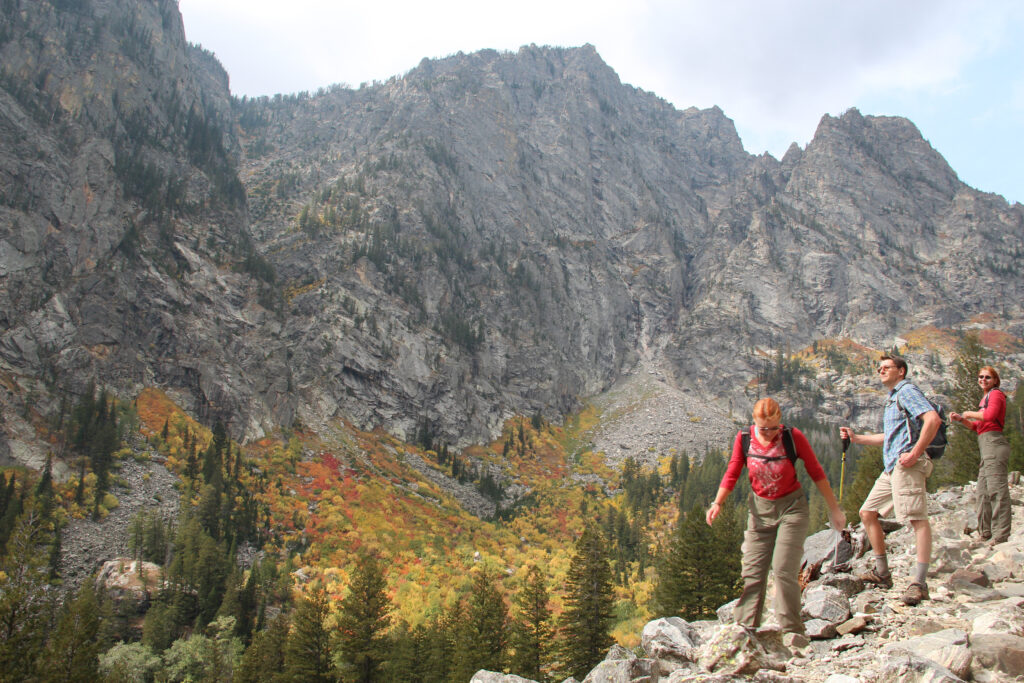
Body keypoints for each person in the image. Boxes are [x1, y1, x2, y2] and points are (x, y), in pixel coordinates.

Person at [707, 397, 845, 635]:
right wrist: (717, 503)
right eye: (763, 428)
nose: (769, 433)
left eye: (773, 427)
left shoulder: (792, 437)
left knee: (783, 570)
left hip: (792, 509)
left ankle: (792, 631)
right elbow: (733, 470)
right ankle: (745, 631)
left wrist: (835, 509)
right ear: (754, 422)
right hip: (759, 512)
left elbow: (816, 472)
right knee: (753, 572)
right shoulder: (744, 439)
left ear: (780, 421)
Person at [840, 354, 941, 606]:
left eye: (887, 367)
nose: (881, 371)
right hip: (893, 466)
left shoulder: (906, 391)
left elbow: (933, 419)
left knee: (917, 519)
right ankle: (882, 573)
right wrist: (857, 439)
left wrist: (915, 453)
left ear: (901, 371)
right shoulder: (894, 398)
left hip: (907, 464)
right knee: (867, 513)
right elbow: (891, 436)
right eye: (879, 368)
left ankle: (919, 582)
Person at [950, 365, 1011, 545]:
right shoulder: (986, 397)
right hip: (986, 444)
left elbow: (990, 416)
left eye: (987, 377)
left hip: (994, 443)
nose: (983, 380)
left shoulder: (996, 394)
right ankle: (985, 533)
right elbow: (978, 426)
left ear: (995, 380)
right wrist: (962, 420)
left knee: (997, 490)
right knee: (983, 493)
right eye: (980, 377)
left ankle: (1001, 535)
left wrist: (968, 413)